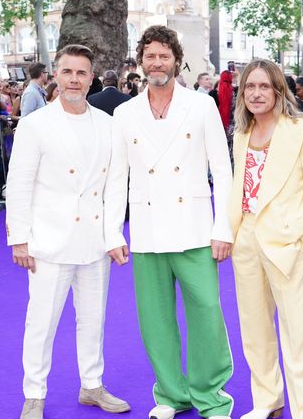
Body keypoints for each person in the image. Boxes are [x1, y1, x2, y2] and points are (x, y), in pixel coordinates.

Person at [105, 25, 234, 419]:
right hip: (146, 229)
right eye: (149, 55)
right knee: (156, 321)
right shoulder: (125, 113)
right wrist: (112, 231)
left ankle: (212, 397)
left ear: (176, 60)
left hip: (195, 226)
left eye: (163, 55)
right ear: (141, 62)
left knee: (207, 314)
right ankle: (171, 396)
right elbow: (116, 175)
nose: (156, 62)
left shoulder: (201, 105)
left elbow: (222, 169)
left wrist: (223, 227)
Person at [5, 44, 130, 419]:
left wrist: (114, 236)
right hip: (47, 241)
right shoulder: (35, 124)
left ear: (91, 78)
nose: (74, 79)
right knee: (41, 322)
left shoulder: (109, 125)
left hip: (94, 241)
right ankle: (34, 394)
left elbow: (114, 187)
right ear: (55, 75)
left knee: (93, 319)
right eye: (68, 72)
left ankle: (92, 385)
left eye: (82, 73)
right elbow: (20, 183)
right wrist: (20, 238)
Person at [229, 58, 303, 419]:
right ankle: (267, 401)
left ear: (278, 90)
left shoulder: (301, 132)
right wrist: (233, 232)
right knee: (254, 330)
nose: (256, 94)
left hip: (288, 243)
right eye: (249, 87)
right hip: (247, 240)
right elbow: (239, 189)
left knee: (298, 332)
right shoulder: (242, 134)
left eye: (264, 86)